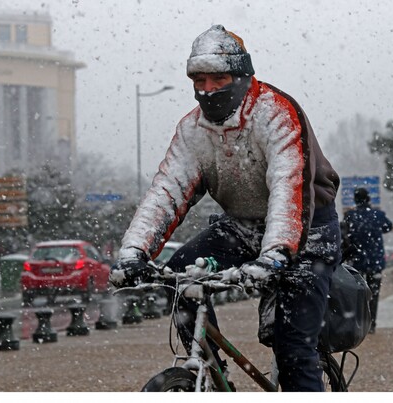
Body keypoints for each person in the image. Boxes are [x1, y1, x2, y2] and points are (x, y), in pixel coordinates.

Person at [110, 25, 341, 392]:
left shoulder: (276, 113)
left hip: (308, 228)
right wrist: (133, 253)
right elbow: (167, 191)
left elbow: (288, 187)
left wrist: (276, 254)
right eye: (200, 79)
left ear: (243, 76)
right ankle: (209, 372)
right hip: (242, 224)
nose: (209, 89)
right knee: (180, 275)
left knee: (294, 349)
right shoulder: (192, 131)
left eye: (219, 78)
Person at [343, 188, 393, 334]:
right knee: (374, 293)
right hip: (375, 261)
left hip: (357, 261)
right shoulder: (377, 215)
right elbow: (388, 226)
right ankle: (371, 324)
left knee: (357, 293)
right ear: (369, 199)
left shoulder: (350, 216)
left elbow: (345, 234)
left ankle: (359, 323)